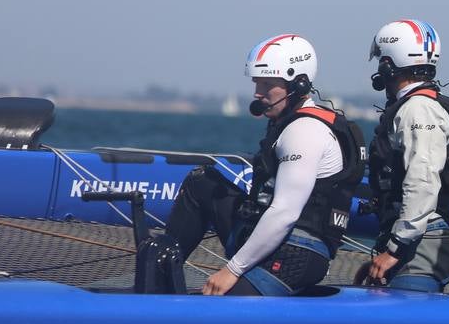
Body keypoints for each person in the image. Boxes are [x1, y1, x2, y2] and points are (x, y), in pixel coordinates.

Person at [152, 34, 365, 296]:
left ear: (297, 84)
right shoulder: (291, 123)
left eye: (266, 85)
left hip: (294, 254)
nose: (257, 93)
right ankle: (157, 286)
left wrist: (232, 270)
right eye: (256, 84)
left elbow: (285, 213)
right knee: (202, 183)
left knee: (213, 307)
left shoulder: (304, 132)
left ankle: (154, 298)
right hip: (280, 243)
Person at [363, 19, 449, 292]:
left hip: (421, 243)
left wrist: (395, 249)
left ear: (390, 65)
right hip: (420, 239)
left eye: (381, 61)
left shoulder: (418, 109)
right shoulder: (428, 105)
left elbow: (422, 180)